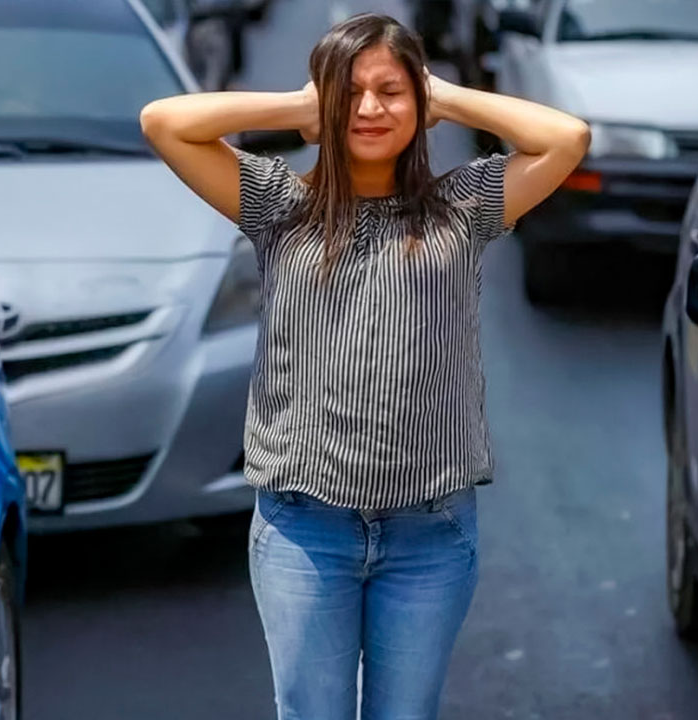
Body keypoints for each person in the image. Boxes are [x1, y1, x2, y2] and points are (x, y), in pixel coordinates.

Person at [140, 12, 589, 720]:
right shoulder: (279, 205)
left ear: (419, 101)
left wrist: (444, 95)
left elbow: (567, 139)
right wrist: (301, 105)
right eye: (348, 93)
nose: (370, 108)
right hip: (304, 528)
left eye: (391, 91)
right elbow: (164, 122)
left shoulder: (461, 208)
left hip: (429, 532)